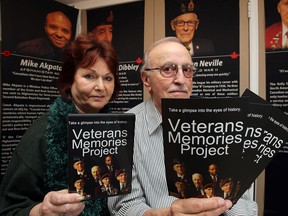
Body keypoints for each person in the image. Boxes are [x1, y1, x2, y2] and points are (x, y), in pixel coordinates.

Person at [108, 36, 258, 215]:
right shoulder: (122, 129)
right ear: (146, 79)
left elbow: (243, 200)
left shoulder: (221, 124)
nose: (181, 79)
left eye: (187, 69)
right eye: (168, 69)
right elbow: (124, 206)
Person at [0, 33, 120, 216]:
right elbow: (9, 208)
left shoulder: (117, 131)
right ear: (70, 78)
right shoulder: (42, 133)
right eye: (89, 76)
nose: (101, 87)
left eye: (108, 78)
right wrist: (42, 211)